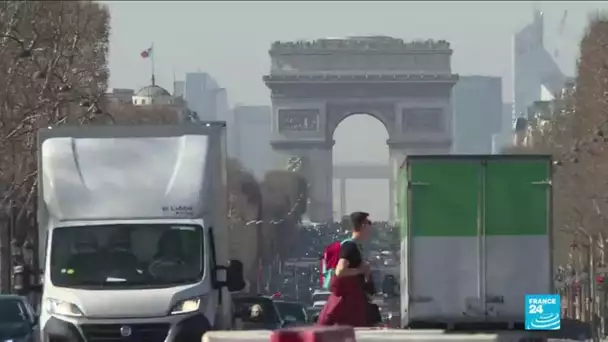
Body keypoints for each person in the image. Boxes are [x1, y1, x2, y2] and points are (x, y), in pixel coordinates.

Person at [317, 211, 372, 327]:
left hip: (352, 302)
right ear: (362, 226)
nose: (370, 226)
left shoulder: (356, 246)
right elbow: (340, 271)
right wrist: (360, 270)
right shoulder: (350, 246)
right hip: (347, 304)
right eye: (368, 223)